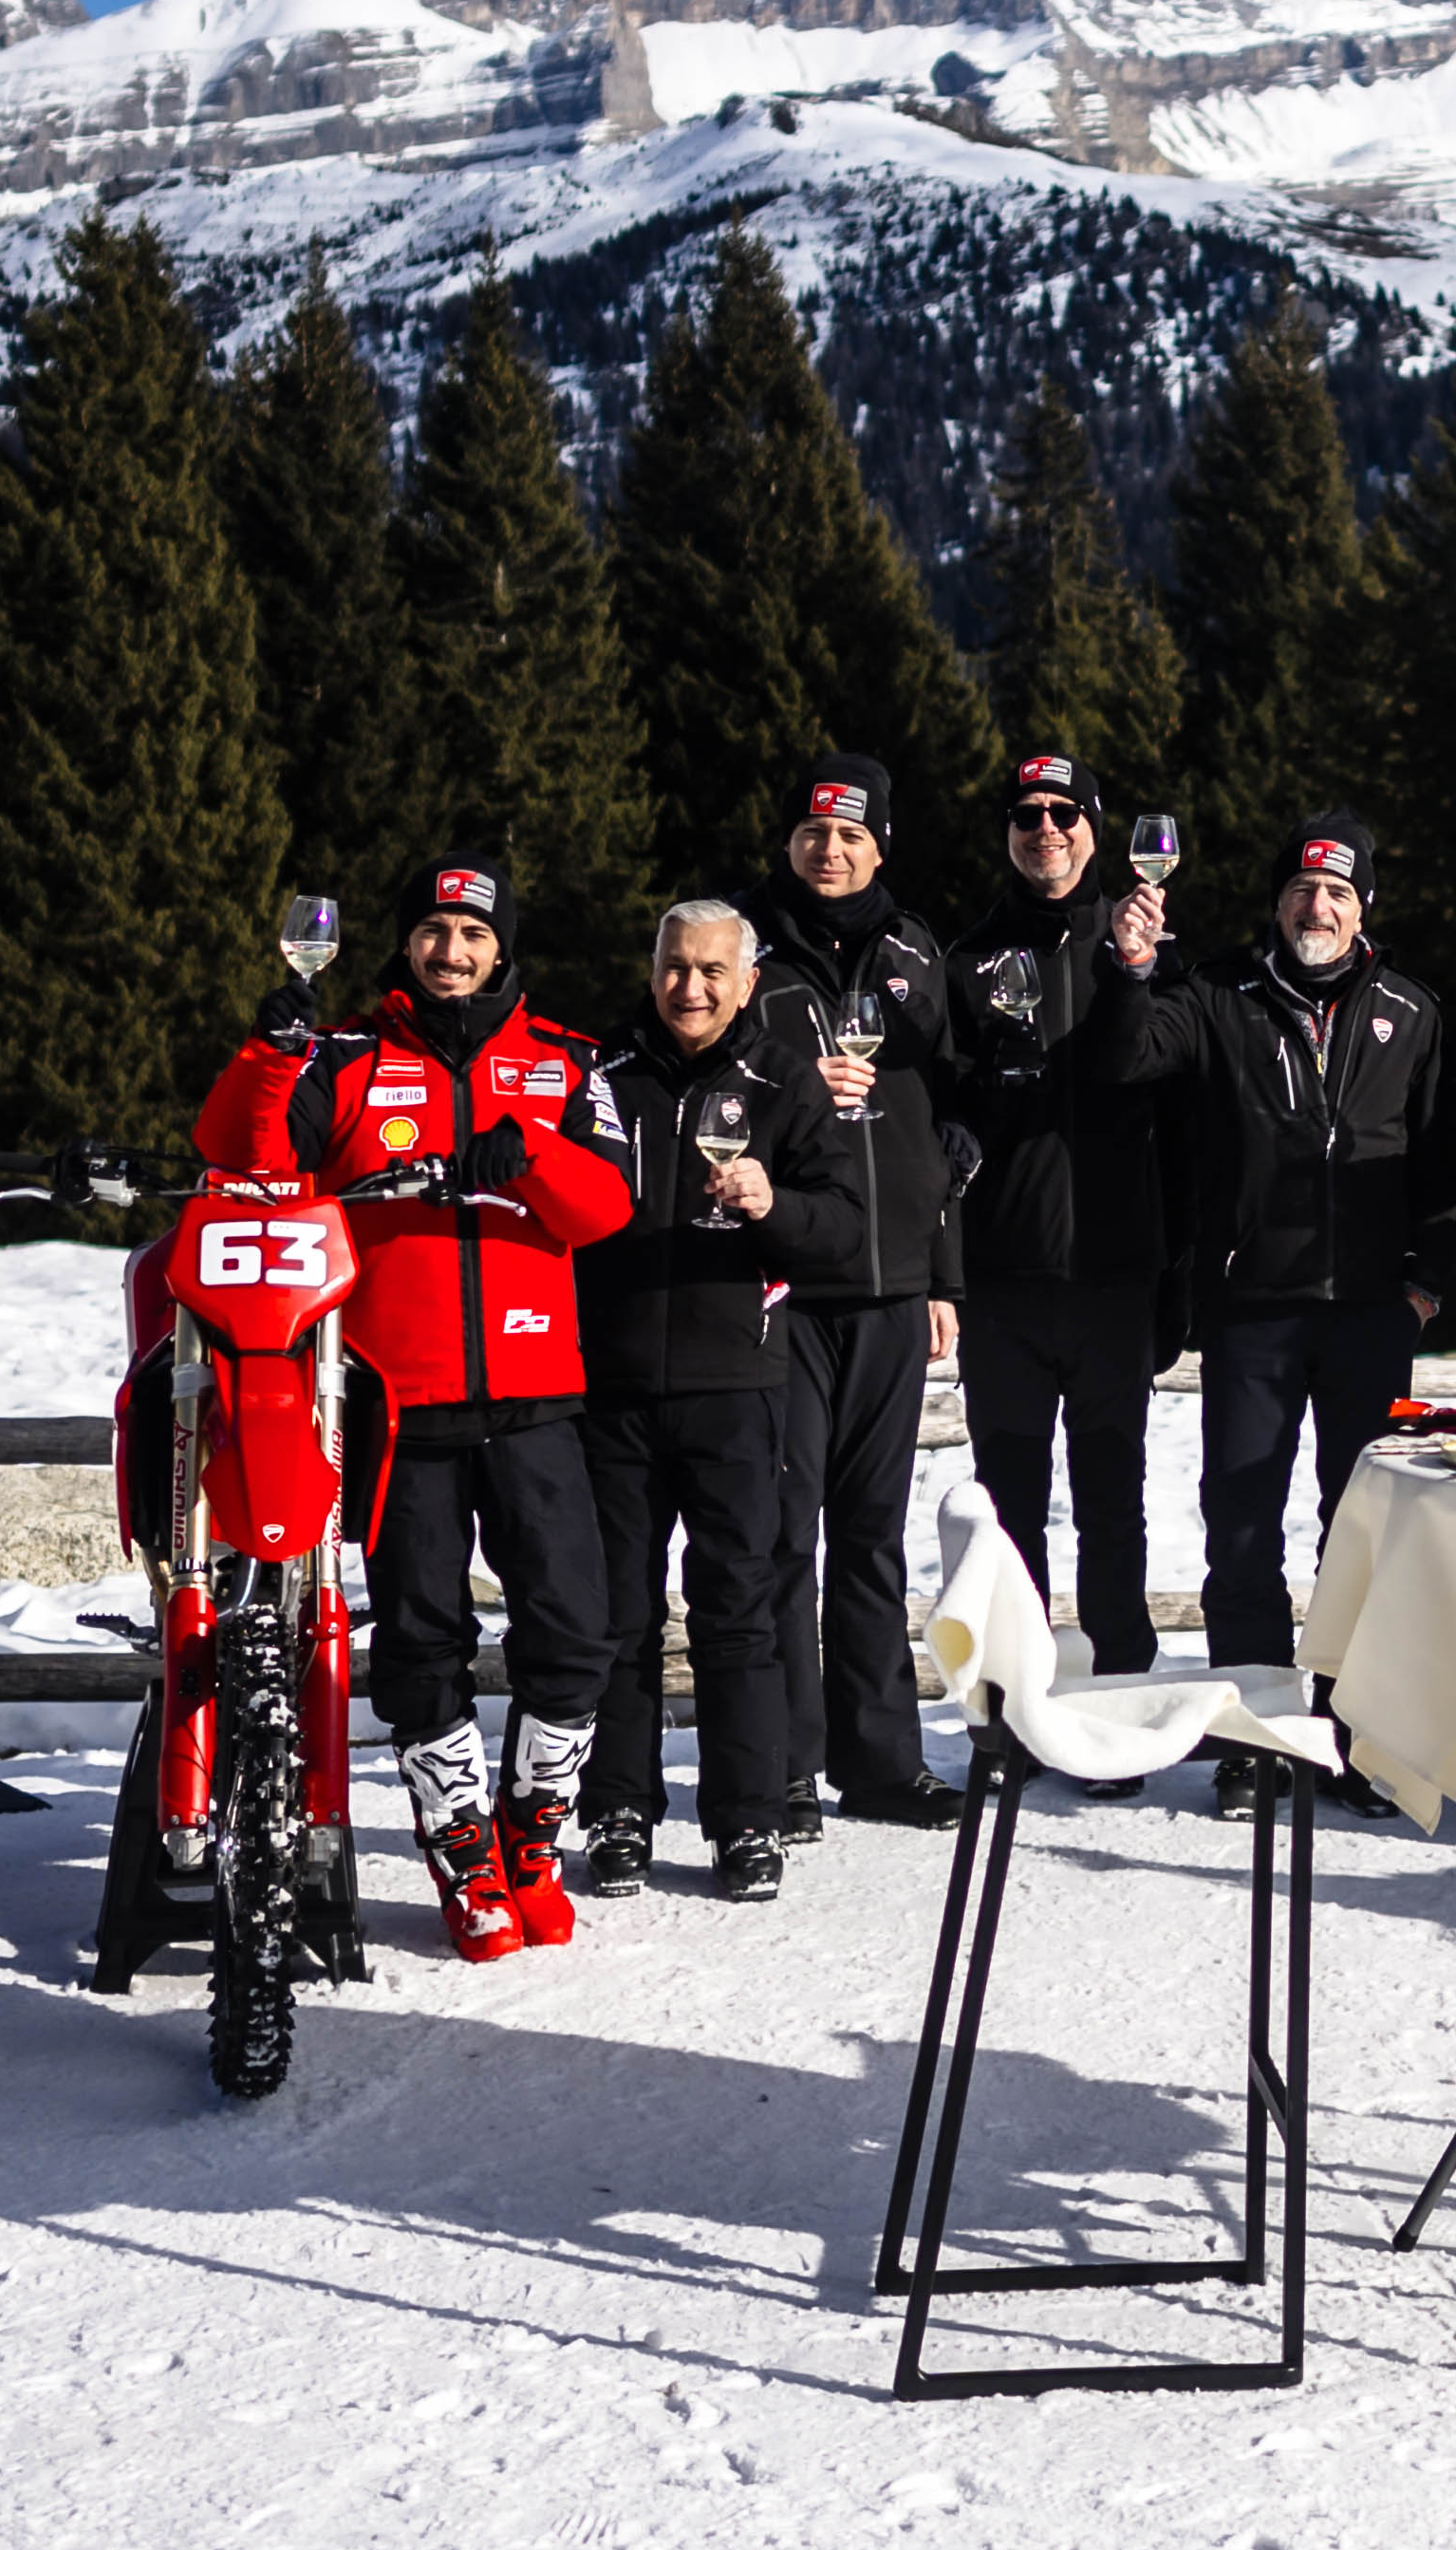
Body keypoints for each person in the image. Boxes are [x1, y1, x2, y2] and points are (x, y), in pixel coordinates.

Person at [273, 856, 639, 1958]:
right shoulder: (347, 1057)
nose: (452, 951)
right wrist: (274, 1048)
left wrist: (528, 1152)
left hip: (536, 1397)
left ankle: (533, 1834)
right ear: (407, 942)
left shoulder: (568, 1061)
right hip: (401, 1401)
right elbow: (248, 1159)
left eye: (473, 934)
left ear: (502, 945)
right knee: (425, 1641)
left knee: (576, 1633)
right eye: (433, 930)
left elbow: (606, 1211)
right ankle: (461, 1851)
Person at [573, 899, 865, 1903]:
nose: (688, 988)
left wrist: (775, 1206)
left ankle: (748, 1818)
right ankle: (616, 1810)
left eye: (710, 971)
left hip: (737, 1385)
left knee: (738, 1607)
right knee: (617, 1614)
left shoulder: (783, 1080)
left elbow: (843, 1226)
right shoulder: (600, 1075)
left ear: (747, 983)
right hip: (608, 1384)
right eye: (673, 967)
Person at [1158, 803, 1456, 1678]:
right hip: (1250, 1307)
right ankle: (1253, 1726)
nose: (1316, 908)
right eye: (1300, 889)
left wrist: (1423, 1288)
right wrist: (1135, 967)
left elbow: (1442, 1166)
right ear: (1276, 903)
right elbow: (1130, 1063)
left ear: (1363, 907)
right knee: (1242, 1524)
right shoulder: (1220, 995)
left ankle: (1352, 1719)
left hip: (1371, 1312)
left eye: (1335, 891)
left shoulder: (1412, 1012)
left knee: (1363, 1527)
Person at [751, 752, 965, 1825]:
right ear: (786, 842)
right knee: (786, 1534)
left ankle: (879, 1762)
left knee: (872, 1535)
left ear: (881, 844)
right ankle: (785, 1762)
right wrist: (800, 1082)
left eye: (850, 835)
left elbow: (947, 1129)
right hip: (783, 1288)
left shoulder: (919, 951)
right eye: (811, 833)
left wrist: (942, 1275)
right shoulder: (744, 952)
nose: (828, 851)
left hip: (890, 1287)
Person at [937, 747, 1179, 1691]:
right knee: (1009, 1509)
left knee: (1114, 1504)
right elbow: (941, 1129)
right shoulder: (967, 961)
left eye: (1064, 815)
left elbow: (1183, 1120)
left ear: (1095, 827)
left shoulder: (1143, 949)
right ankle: (1015, 1694)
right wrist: (945, 1274)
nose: (1046, 831)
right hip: (1005, 1286)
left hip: (1117, 1280)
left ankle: (1119, 1688)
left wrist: (1180, 1273)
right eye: (1027, 815)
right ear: (1008, 831)